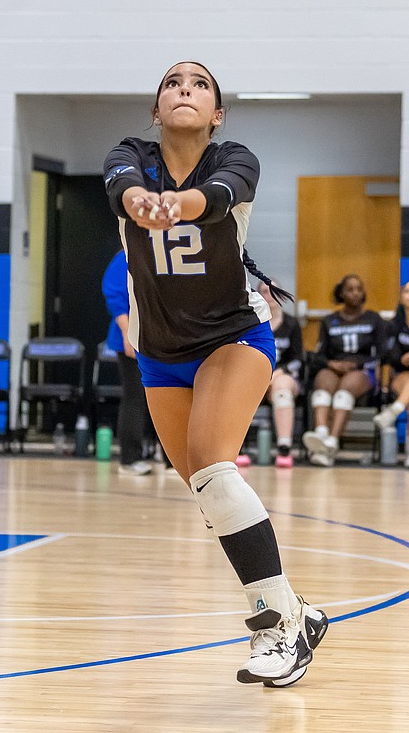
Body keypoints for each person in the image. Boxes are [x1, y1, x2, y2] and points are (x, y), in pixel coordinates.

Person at [103, 61, 328, 688]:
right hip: (160, 350)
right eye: (173, 83)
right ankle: (296, 611)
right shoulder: (129, 156)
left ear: (217, 113)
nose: (185, 89)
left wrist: (177, 205)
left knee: (210, 463)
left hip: (233, 335)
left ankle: (276, 628)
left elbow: (220, 197)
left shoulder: (235, 159)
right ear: (156, 109)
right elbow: (123, 190)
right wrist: (142, 202)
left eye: (200, 84)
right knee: (209, 490)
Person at [302, 274, 386, 467]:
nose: (355, 293)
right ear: (341, 293)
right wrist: (332, 364)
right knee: (322, 384)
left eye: (359, 289)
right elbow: (319, 354)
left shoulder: (373, 319)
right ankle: (321, 435)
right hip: (335, 367)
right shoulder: (329, 321)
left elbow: (382, 353)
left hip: (362, 370)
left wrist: (356, 364)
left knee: (343, 393)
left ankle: (332, 442)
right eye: (350, 289)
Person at [102, 248, 155, 475]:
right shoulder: (126, 255)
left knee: (166, 395)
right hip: (132, 338)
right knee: (135, 396)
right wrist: (127, 333)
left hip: (160, 339)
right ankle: (130, 459)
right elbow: (115, 295)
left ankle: (170, 459)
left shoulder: (165, 253)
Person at [256, 281, 304, 469]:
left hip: (284, 374)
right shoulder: (252, 323)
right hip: (257, 375)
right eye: (264, 291)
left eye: (273, 291)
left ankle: (284, 447)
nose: (269, 295)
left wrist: (278, 372)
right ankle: (237, 449)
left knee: (281, 387)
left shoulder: (291, 324)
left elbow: (298, 359)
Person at [373, 280, 409, 468]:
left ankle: (393, 412)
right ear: (401, 298)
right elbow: (386, 357)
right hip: (402, 375)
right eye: (407, 291)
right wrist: (405, 358)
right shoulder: (392, 326)